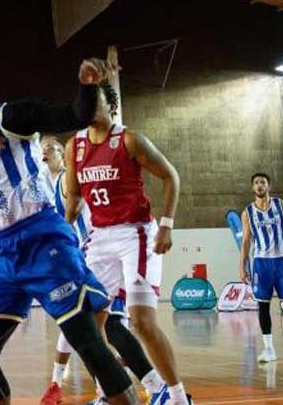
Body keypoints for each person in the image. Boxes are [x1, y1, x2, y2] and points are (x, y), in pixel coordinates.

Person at [0, 64, 144, 405]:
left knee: (87, 343)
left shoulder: (7, 117)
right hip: (0, 255)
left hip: (41, 238)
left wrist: (86, 85)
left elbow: (73, 115)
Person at [64, 83, 191, 405]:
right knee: (88, 327)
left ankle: (177, 396)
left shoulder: (130, 139)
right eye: (86, 102)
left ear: (112, 106)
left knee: (141, 321)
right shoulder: (74, 147)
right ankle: (108, 393)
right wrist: (63, 232)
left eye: (98, 101)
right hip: (100, 238)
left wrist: (166, 225)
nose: (91, 107)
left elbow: (170, 176)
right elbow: (75, 195)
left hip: (137, 234)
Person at [41, 136, 159, 405]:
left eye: (48, 149)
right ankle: (100, 391)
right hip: (89, 257)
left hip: (105, 251)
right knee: (86, 328)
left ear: (61, 153)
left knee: (113, 326)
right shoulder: (49, 186)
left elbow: (77, 208)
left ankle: (156, 386)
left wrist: (60, 235)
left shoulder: (67, 180)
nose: (43, 154)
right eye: (41, 150)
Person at [237, 173, 283, 363]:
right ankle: (269, 349)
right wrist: (242, 266)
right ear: (253, 188)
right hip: (262, 263)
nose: (260, 185)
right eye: (256, 183)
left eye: (263, 182)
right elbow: (246, 241)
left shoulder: (281, 205)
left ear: (268, 186)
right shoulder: (247, 212)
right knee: (263, 305)